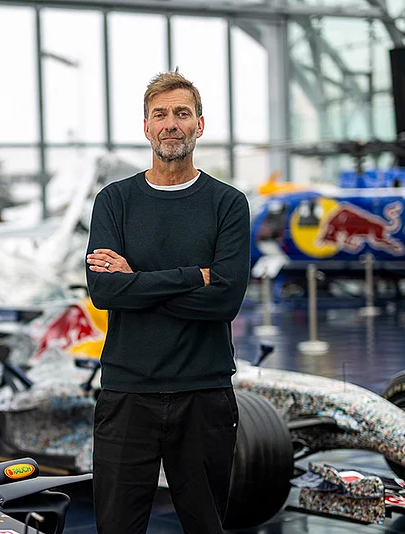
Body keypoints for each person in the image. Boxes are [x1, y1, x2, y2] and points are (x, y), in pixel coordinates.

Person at [85, 71, 251, 534]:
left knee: (206, 526)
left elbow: (224, 300)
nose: (171, 124)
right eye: (160, 114)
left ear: (200, 124)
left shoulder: (228, 204)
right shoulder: (114, 202)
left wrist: (135, 283)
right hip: (127, 393)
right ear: (146, 127)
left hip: (203, 392)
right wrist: (191, 277)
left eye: (182, 113)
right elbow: (104, 292)